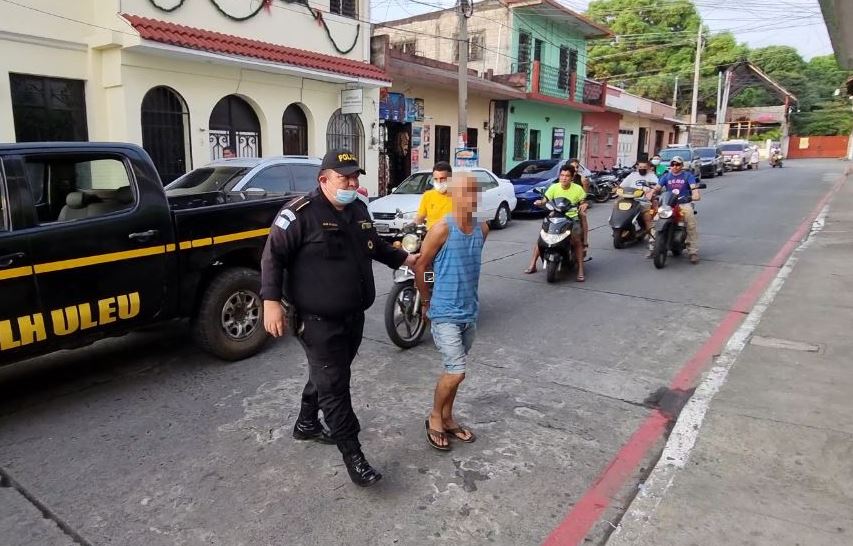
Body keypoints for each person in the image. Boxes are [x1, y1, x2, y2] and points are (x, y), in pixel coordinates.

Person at [260, 149, 418, 487]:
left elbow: (374, 246)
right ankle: (354, 455)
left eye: (355, 176)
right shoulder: (299, 213)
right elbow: (273, 256)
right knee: (335, 386)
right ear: (324, 180)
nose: (352, 182)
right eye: (344, 177)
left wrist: (406, 258)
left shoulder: (359, 210)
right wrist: (270, 301)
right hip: (317, 320)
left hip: (353, 316)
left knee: (330, 373)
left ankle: (306, 423)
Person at [414, 173, 489, 451]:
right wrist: (426, 301)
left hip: (469, 312)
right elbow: (421, 265)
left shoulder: (483, 229)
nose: (472, 198)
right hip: (444, 311)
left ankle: (447, 417)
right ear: (454, 195)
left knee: (453, 369)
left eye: (475, 192)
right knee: (457, 372)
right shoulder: (442, 229)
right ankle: (434, 416)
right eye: (466, 192)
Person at [523, 163, 588, 281]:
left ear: (572, 177)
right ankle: (532, 265)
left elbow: (583, 201)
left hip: (571, 217)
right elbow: (545, 199)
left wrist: (584, 205)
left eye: (567, 176)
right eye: (562, 175)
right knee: (542, 237)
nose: (564, 178)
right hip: (555, 216)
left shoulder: (578, 189)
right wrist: (540, 202)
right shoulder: (554, 187)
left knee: (577, 241)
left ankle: (580, 270)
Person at [655, 155, 701, 263]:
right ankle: (654, 246)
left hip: (683, 203)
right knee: (656, 220)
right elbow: (657, 188)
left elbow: (694, 189)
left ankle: (693, 252)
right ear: (670, 165)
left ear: (682, 166)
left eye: (678, 164)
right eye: (673, 164)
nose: (675, 167)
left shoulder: (688, 176)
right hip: (669, 204)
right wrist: (651, 193)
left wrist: (694, 195)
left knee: (691, 224)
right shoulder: (666, 176)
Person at [619, 159, 659, 233]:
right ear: (637, 167)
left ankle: (651, 235)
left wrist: (650, 191)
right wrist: (617, 189)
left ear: (648, 167)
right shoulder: (632, 175)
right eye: (640, 167)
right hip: (629, 200)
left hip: (643, 201)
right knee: (618, 209)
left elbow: (656, 186)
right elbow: (622, 186)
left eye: (644, 167)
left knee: (647, 217)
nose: (642, 169)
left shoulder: (652, 176)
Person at [412, 161, 453, 229]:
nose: (439, 182)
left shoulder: (460, 196)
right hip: (431, 236)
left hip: (451, 236)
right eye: (436, 179)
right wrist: (412, 225)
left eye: (442, 178)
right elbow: (420, 217)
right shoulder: (428, 195)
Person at [568, 158, 591, 260]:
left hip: (576, 206)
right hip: (561, 207)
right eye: (573, 167)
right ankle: (533, 264)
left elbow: (584, 197)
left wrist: (585, 185)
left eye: (577, 167)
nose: (575, 169)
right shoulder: (562, 178)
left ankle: (585, 242)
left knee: (583, 215)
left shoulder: (581, 179)